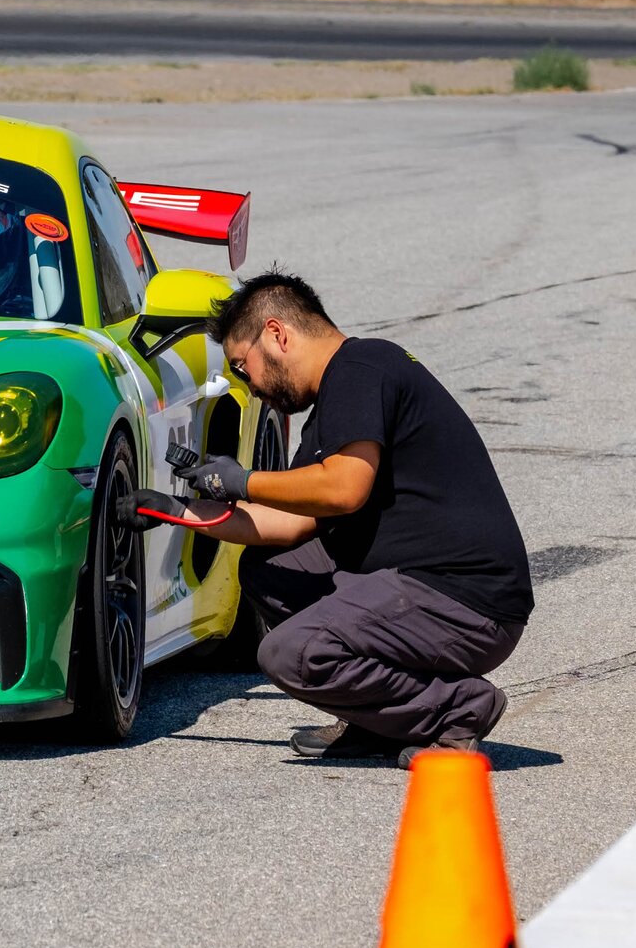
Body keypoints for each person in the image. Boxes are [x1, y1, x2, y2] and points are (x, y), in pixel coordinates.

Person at [129, 272, 533, 764]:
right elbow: (290, 522)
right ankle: (377, 722)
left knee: (290, 654)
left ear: (277, 334)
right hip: (423, 586)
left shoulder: (363, 369)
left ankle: (456, 710)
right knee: (269, 569)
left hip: (467, 602)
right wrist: (176, 511)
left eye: (242, 366)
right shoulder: (339, 395)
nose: (249, 386)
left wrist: (242, 480)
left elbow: (343, 489)